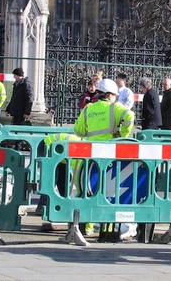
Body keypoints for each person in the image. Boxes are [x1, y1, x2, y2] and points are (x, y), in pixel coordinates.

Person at [73, 78, 136, 239]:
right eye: (115, 95)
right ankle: (107, 225)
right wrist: (122, 135)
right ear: (109, 95)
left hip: (89, 155)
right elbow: (129, 116)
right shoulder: (116, 108)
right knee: (108, 190)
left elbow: (78, 131)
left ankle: (86, 227)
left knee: (87, 190)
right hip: (109, 155)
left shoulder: (88, 109)